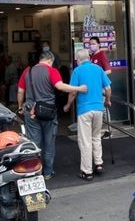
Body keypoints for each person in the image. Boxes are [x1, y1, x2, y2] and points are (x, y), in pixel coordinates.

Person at [17, 51, 87, 180]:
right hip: (48, 112)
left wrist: (20, 107)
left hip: (30, 112)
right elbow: (60, 86)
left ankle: (35, 171)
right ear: (50, 60)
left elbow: (20, 91)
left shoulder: (28, 71)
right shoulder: (52, 70)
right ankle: (48, 172)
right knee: (49, 143)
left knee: (34, 143)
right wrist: (79, 89)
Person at [63, 49, 112, 181]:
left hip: (84, 110)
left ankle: (87, 171)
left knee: (85, 141)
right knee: (96, 136)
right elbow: (108, 88)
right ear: (89, 58)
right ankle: (99, 164)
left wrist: (67, 105)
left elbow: (73, 92)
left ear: (78, 60)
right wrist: (107, 101)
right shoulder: (98, 69)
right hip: (98, 109)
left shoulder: (77, 71)